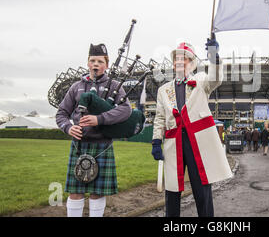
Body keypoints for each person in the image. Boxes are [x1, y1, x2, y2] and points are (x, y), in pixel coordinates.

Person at [151, 37, 232, 217]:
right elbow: (160, 118)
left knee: (202, 189)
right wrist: (156, 140)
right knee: (172, 191)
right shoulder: (163, 90)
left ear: (191, 63)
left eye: (184, 58)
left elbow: (216, 77)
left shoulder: (202, 80)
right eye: (177, 59)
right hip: (174, 143)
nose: (180, 62)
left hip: (198, 142)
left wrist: (214, 56)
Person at [56, 43, 132, 217]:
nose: (96, 64)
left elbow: (126, 110)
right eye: (92, 60)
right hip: (79, 145)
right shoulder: (76, 87)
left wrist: (100, 119)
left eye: (100, 61)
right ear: (88, 63)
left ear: (106, 64)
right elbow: (61, 113)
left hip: (102, 144)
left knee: (97, 193)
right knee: (75, 192)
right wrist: (68, 128)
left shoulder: (115, 86)